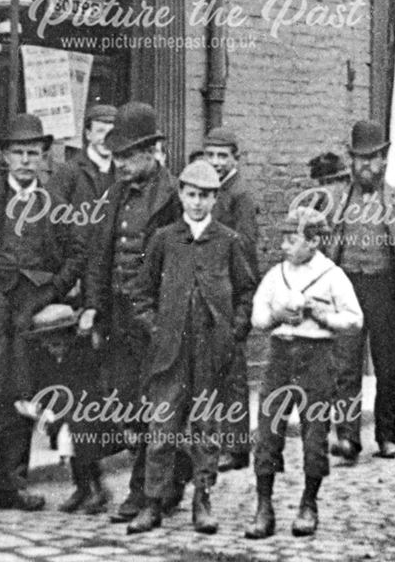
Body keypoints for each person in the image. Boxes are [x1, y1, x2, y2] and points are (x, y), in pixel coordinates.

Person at [0, 114, 84, 521]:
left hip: (33, 308)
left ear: (44, 159)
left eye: (34, 154)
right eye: (18, 153)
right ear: (5, 156)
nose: (26, 161)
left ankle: (10, 485)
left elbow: (78, 255)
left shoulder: (56, 206)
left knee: (24, 396)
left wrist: (50, 293)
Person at [125, 160, 255, 534]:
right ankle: (153, 502)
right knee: (161, 429)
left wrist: (234, 331)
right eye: (192, 195)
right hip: (169, 354)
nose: (198, 203)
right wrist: (156, 329)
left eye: (206, 196)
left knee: (204, 429)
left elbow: (246, 290)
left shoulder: (228, 242)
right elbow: (141, 294)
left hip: (210, 352)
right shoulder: (164, 239)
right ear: (181, 194)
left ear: (215, 199)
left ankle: (202, 499)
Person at [79, 102, 185, 523]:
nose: (119, 164)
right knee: (126, 403)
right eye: (116, 156)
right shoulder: (115, 194)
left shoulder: (174, 197)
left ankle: (149, 488)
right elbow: (98, 257)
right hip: (121, 320)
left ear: (150, 152)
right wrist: (93, 306)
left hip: (156, 321)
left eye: (127, 156)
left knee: (157, 405)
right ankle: (158, 482)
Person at [246, 207, 362, 539]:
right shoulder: (276, 275)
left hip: (317, 359)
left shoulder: (332, 275)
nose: (284, 246)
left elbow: (354, 319)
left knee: (314, 434)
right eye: (283, 238)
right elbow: (258, 317)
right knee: (267, 431)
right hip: (280, 357)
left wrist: (324, 316)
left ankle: (309, 504)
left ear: (313, 242)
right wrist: (277, 316)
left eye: (292, 239)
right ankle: (263, 507)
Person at [327, 120, 395, 462]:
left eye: (372, 158)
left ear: (384, 159)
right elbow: (322, 243)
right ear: (350, 159)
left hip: (386, 291)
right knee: (345, 367)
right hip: (347, 290)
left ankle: (387, 436)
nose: (365, 165)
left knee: (387, 369)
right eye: (359, 158)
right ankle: (348, 439)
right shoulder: (338, 202)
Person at [49, 103, 117, 513]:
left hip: (114, 295)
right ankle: (84, 480)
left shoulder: (122, 174)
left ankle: (99, 477)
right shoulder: (70, 174)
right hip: (78, 294)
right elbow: (56, 226)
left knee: (110, 391)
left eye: (113, 129)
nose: (107, 136)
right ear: (88, 133)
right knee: (76, 390)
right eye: (100, 129)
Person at [203, 127, 260, 473]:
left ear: (235, 158)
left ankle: (237, 447)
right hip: (211, 292)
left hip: (230, 294)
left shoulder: (240, 195)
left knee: (233, 376)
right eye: (210, 155)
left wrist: (244, 305)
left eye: (222, 156)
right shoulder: (211, 190)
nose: (216, 162)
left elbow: (246, 250)